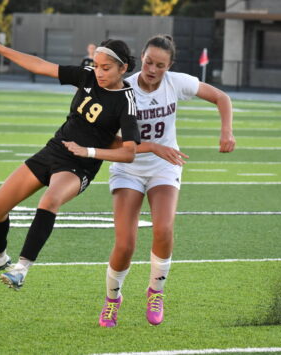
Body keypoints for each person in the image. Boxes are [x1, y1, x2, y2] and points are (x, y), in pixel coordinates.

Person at [0, 28, 141, 291]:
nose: (99, 72)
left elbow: (129, 152)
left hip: (79, 165)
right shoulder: (87, 77)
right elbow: (40, 66)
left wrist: (89, 152)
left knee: (49, 200)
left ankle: (22, 269)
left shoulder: (127, 101)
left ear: (123, 68)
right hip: (53, 150)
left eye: (106, 68)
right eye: (96, 66)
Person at [97, 35, 235, 327]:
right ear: (141, 59)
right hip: (128, 167)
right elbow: (111, 143)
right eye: (148, 62)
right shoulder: (125, 88)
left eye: (160, 65)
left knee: (164, 228)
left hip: (164, 167)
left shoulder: (176, 82)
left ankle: (155, 292)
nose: (152, 69)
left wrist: (226, 132)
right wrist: (152, 146)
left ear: (169, 66)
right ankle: (112, 300)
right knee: (125, 245)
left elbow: (221, 97)